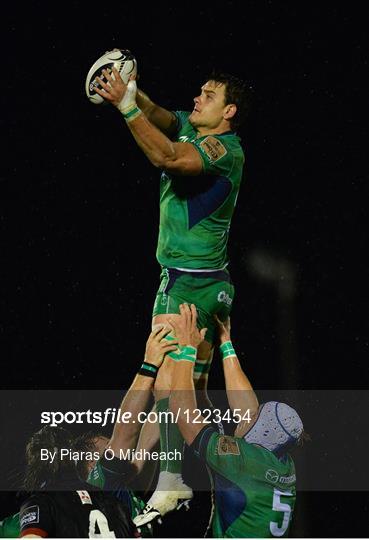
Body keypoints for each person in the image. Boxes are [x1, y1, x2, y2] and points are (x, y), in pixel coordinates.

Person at [94, 59, 253, 521]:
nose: (197, 99)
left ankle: (170, 480)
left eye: (209, 95)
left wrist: (127, 109)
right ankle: (231, 466)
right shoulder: (192, 127)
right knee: (195, 391)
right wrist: (132, 91)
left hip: (186, 280)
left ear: (229, 112)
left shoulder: (225, 150)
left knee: (166, 377)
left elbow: (166, 156)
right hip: (214, 285)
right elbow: (163, 117)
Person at [15, 326, 179, 538]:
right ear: (91, 462)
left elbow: (147, 444)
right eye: (107, 446)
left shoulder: (122, 490)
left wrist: (171, 392)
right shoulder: (101, 483)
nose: (116, 449)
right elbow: (126, 430)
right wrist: (150, 366)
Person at [167, 304, 305, 538]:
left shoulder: (241, 463)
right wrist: (226, 343)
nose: (245, 417)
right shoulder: (281, 460)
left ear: (261, 433)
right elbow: (247, 408)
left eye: (254, 418)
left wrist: (187, 349)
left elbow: (181, 411)